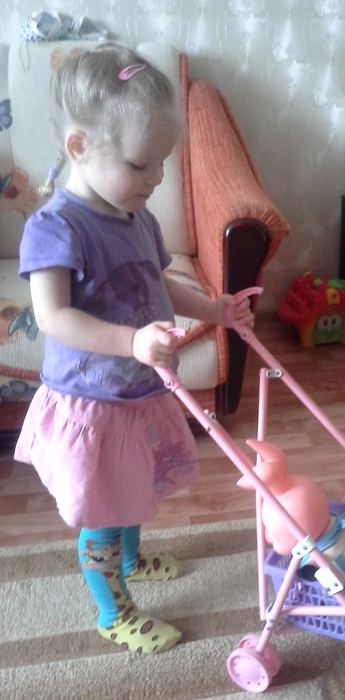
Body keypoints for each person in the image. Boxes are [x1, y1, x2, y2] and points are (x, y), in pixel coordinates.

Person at [14, 44, 254, 655]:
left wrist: (216, 309)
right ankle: (111, 611)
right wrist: (131, 341)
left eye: (162, 164)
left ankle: (131, 559)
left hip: (140, 391)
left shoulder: (138, 217)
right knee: (103, 507)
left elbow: (159, 284)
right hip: (91, 402)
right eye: (142, 164)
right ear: (78, 147)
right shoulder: (56, 227)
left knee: (132, 489)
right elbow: (53, 317)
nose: (157, 179)